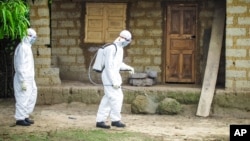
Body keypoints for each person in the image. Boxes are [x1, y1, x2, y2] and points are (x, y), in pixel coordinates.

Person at [96, 30, 134, 129]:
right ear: (122, 38)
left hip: (114, 75)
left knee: (108, 98)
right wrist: (114, 81)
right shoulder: (111, 48)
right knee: (117, 98)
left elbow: (118, 64)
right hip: (108, 76)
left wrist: (128, 67)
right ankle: (115, 120)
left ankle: (100, 120)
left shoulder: (120, 48)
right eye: (127, 40)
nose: (127, 43)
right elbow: (108, 67)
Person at [13, 28, 37, 126]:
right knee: (23, 98)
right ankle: (20, 118)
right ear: (27, 36)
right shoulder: (22, 47)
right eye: (32, 37)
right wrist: (22, 80)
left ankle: (25, 115)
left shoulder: (27, 47)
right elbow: (20, 65)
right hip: (23, 78)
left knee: (31, 96)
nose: (34, 39)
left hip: (30, 78)